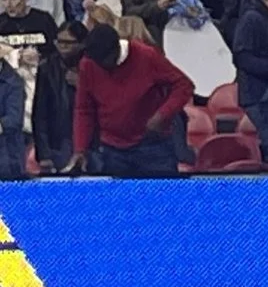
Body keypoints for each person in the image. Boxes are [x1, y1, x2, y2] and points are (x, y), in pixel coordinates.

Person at [70, 23, 185, 175]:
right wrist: (80, 149)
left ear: (116, 49)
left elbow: (183, 85)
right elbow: (84, 109)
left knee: (161, 190)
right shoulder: (88, 63)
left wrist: (163, 114)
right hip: (112, 148)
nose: (100, 66)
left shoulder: (147, 55)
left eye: (104, 61)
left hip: (152, 145)